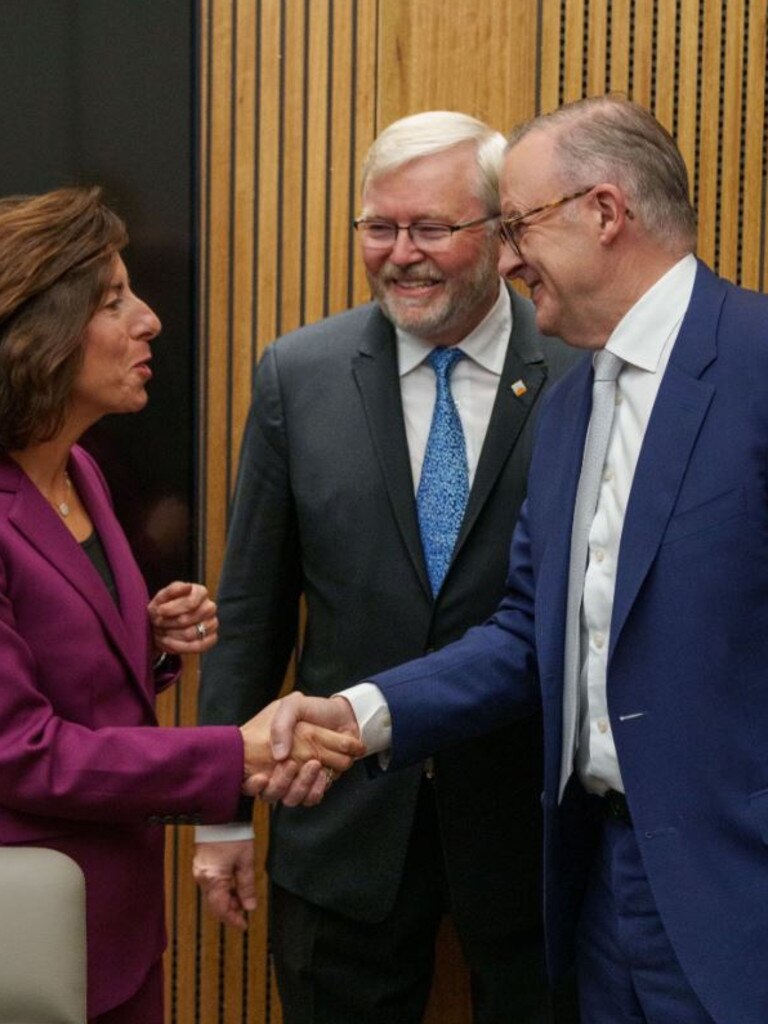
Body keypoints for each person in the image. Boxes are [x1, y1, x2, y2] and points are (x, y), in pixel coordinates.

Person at [266, 94, 768, 1024]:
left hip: (738, 891)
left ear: (605, 213)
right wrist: (359, 711)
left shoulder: (756, 363)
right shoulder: (574, 403)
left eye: (518, 226)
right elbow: (527, 633)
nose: (503, 260)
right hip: (601, 890)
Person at [194, 111, 579, 1024]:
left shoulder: (580, 371)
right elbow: (253, 608)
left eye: (431, 228)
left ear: (498, 234)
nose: (400, 253)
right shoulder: (301, 373)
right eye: (379, 226)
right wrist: (218, 809)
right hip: (340, 827)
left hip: (528, 835)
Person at [0, 186, 360, 1024]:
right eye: (115, 299)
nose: (150, 319)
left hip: (115, 930)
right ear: (39, 333)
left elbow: (74, 675)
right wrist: (232, 754)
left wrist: (150, 641)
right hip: (27, 945)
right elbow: (22, 751)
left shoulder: (78, 471)